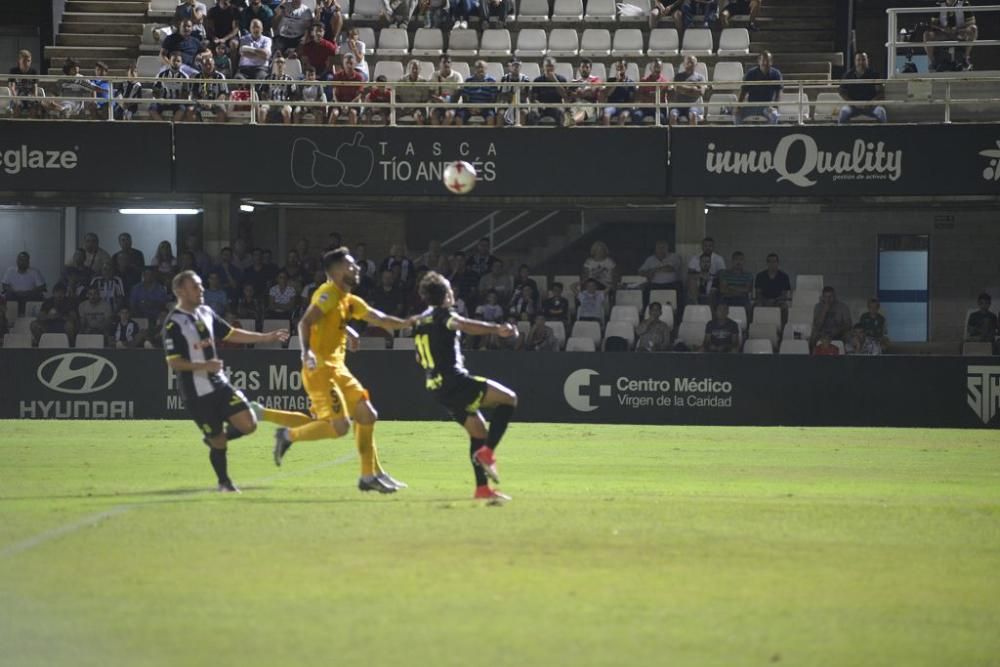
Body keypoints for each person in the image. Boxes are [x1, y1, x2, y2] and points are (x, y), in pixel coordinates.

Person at [259, 248, 413, 493]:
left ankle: (369, 476)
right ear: (338, 271)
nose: (357, 269)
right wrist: (306, 352)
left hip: (338, 369)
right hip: (320, 369)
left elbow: (378, 317)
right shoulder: (328, 293)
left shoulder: (348, 299)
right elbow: (305, 322)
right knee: (339, 427)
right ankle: (288, 436)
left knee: (367, 415)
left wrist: (406, 323)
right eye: (351, 266)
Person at [165, 270, 288, 492]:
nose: (201, 289)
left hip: (219, 383)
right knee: (219, 442)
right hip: (197, 393)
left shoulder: (206, 311)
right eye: (196, 286)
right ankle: (224, 482)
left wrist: (264, 337)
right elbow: (174, 362)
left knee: (249, 423)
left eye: (201, 285)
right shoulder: (173, 324)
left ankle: (214, 438)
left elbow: (230, 333)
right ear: (180, 291)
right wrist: (203, 366)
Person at [413, 271, 518, 502]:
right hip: (454, 381)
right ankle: (488, 453)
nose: (453, 293)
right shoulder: (444, 315)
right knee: (509, 398)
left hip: (436, 386)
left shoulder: (420, 321)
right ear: (446, 295)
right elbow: (460, 324)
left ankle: (482, 489)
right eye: (450, 290)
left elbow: (420, 358)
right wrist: (495, 329)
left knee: (478, 431)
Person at [926, 0, 978, 71]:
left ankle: (965, 58)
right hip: (943, 33)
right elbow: (933, 23)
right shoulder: (939, 4)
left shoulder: (964, 3)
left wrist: (958, 29)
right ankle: (933, 62)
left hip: (959, 33)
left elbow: (972, 22)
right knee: (927, 34)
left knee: (974, 29)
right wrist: (943, 28)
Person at [838, 52, 886, 124]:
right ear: (855, 61)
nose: (861, 62)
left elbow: (881, 93)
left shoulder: (874, 74)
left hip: (870, 106)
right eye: (858, 60)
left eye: (863, 59)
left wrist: (870, 103)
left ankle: (883, 135)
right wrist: (853, 103)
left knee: (881, 112)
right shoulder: (848, 75)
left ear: (867, 61)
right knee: (844, 112)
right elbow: (842, 92)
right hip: (853, 107)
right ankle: (842, 135)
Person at [736, 50, 782, 125]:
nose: (765, 63)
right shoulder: (750, 73)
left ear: (771, 62)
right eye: (763, 60)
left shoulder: (776, 74)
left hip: (767, 107)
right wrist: (738, 107)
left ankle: (770, 135)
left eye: (768, 61)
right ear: (759, 61)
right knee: (736, 115)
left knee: (774, 115)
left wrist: (775, 107)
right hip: (751, 106)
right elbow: (743, 91)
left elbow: (778, 93)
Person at [638, 240, 682, 309]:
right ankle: (646, 312)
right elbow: (640, 271)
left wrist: (653, 270)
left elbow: (670, 268)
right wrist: (647, 273)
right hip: (654, 284)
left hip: (671, 284)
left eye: (663, 247)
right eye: (659, 248)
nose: (661, 250)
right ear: (655, 249)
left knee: (680, 290)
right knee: (645, 290)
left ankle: (679, 315)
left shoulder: (674, 256)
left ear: (667, 248)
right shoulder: (650, 259)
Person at [670, 54, 706, 126]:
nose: (689, 65)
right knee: (673, 115)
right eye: (687, 63)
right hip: (678, 106)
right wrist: (693, 88)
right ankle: (673, 136)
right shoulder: (678, 76)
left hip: (693, 105)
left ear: (696, 64)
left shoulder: (700, 78)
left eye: (691, 63)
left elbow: (701, 92)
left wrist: (684, 89)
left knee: (693, 114)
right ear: (684, 64)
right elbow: (677, 89)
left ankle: (692, 136)